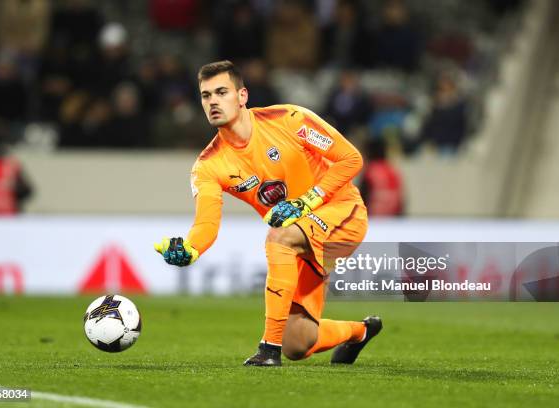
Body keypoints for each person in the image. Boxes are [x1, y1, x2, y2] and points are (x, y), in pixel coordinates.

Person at [154, 61, 382, 366]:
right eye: (206, 95)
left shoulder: (289, 119)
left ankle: (268, 349)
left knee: (279, 237)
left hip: (341, 213)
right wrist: (191, 248)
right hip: (303, 238)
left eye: (221, 92)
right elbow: (207, 223)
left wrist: (307, 201)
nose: (213, 102)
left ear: (242, 96)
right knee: (299, 343)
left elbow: (350, 159)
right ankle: (359, 332)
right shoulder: (208, 165)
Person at [359, 137, 404, 216]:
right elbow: (400, 201)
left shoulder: (370, 172)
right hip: (392, 221)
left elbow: (361, 200)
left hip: (374, 221)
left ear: (368, 153)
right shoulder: (393, 171)